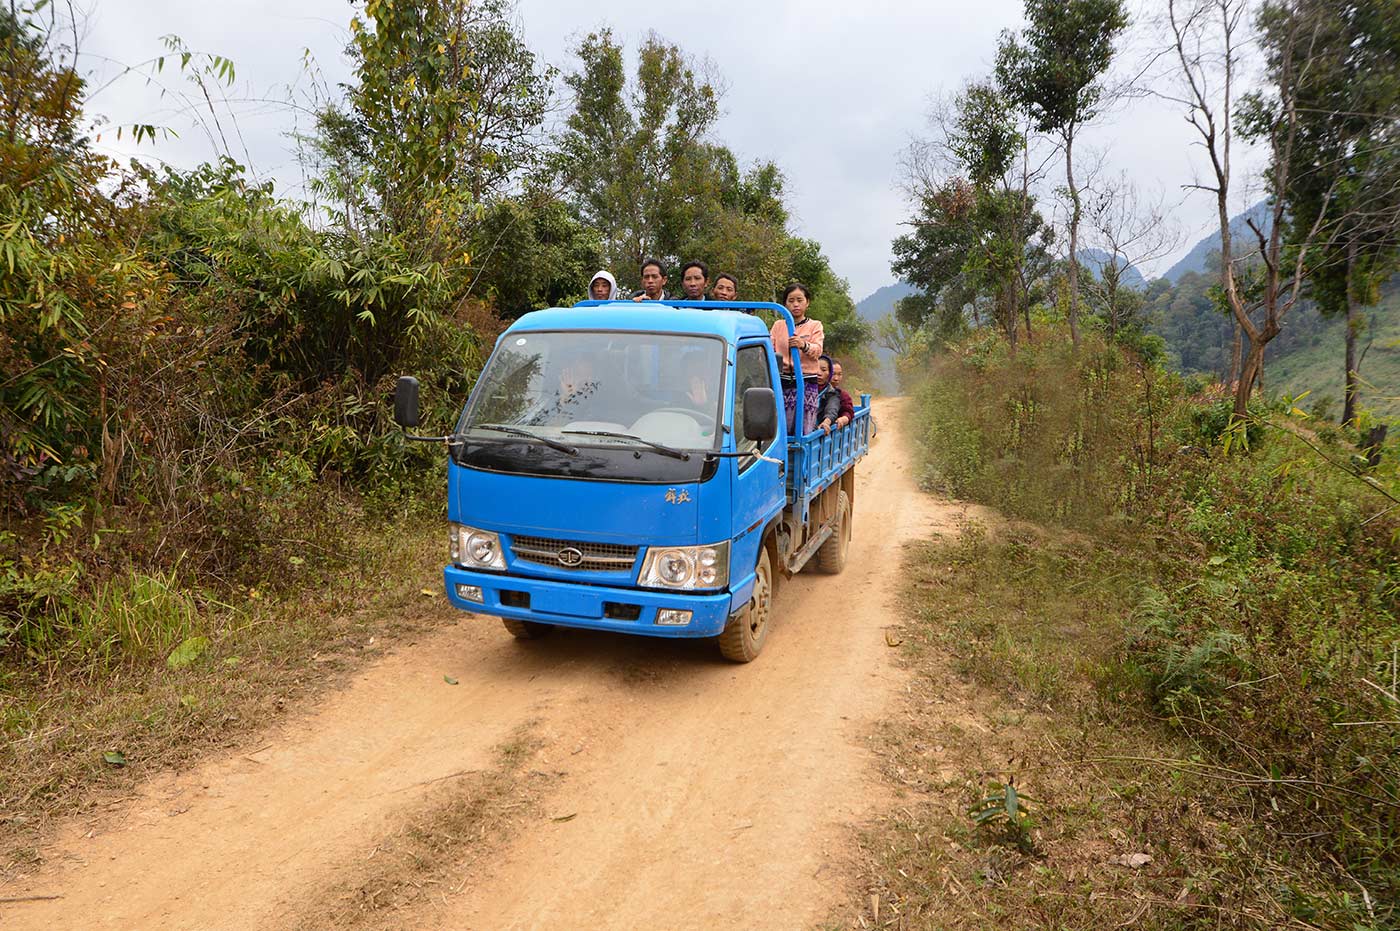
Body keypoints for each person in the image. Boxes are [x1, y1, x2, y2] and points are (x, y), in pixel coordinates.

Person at [769, 282, 824, 435]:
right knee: (781, 427)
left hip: (806, 383)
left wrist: (803, 344)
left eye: (799, 300)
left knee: (803, 429)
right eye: (791, 300)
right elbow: (770, 347)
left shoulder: (815, 326)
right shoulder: (778, 325)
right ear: (785, 304)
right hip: (782, 382)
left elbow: (818, 350)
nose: (795, 304)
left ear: (807, 302)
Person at [829, 359, 856, 428]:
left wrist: (844, 419)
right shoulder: (814, 392)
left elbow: (848, 411)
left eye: (839, 374)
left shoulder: (842, 394)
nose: (836, 378)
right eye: (833, 374)